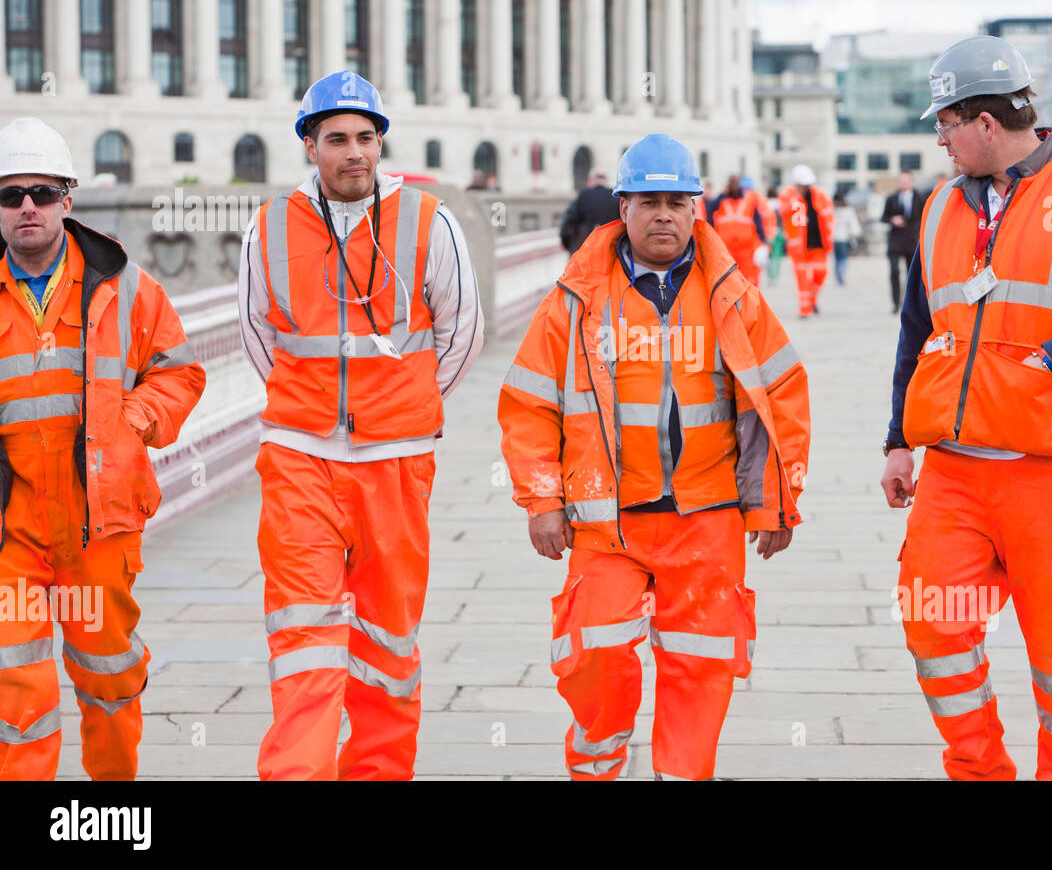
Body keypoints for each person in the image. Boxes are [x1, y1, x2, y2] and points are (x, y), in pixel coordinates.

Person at [879, 36, 1052, 780]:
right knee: (934, 629)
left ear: (983, 121)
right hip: (953, 475)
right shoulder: (941, 205)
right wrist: (896, 443)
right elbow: (919, 328)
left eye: (944, 123)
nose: (938, 139)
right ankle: (980, 772)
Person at [498, 133, 811, 781]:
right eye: (649, 202)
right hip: (606, 522)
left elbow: (783, 395)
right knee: (596, 657)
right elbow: (529, 402)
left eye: (677, 201)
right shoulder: (577, 300)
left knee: (700, 670)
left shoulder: (734, 297)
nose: (664, 214)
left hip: (707, 517)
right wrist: (541, 497)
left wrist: (780, 500)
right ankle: (597, 764)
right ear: (623, 208)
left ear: (697, 209)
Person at [238, 71, 484, 780]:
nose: (355, 152)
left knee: (387, 641)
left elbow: (462, 329)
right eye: (337, 139)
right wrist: (310, 407)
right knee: (304, 638)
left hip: (396, 460)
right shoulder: (269, 225)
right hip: (297, 457)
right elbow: (257, 332)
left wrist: (404, 403)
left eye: (366, 138)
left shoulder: (429, 221)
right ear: (310, 147)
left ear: (381, 144)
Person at [0, 117, 205, 779]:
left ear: (69, 199)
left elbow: (180, 369)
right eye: (9, 195)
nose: (25, 205)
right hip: (12, 535)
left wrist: (137, 418)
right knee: (16, 687)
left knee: (108, 678)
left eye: (41, 191)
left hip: (101, 528)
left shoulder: (127, 288)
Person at [778, 164, 835, 318]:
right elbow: (784, 212)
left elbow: (829, 215)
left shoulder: (820, 195)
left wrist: (830, 237)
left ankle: (812, 299)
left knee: (821, 272)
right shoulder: (787, 196)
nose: (805, 187)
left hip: (818, 243)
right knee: (802, 278)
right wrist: (796, 198)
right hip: (798, 247)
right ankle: (804, 309)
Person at [707, 173, 768, 286]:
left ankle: (749, 303)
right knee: (728, 279)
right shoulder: (722, 200)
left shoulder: (748, 200)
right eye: (732, 183)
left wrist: (763, 239)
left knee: (749, 279)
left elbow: (757, 220)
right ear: (728, 184)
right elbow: (709, 210)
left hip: (746, 249)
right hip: (727, 249)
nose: (734, 186)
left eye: (735, 183)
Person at [881, 171, 927, 313]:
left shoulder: (920, 197)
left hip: (913, 241)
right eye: (901, 181)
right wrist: (892, 219)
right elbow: (884, 217)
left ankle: (910, 304)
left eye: (906, 181)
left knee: (911, 274)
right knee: (894, 271)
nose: (903, 183)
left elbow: (926, 216)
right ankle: (895, 303)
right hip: (895, 241)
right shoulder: (892, 198)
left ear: (911, 182)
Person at [559, 168, 621, 255]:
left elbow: (568, 224)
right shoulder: (616, 198)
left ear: (591, 180)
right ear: (606, 181)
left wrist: (570, 248)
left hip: (587, 252)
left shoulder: (583, 196)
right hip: (611, 252)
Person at [831, 191, 861, 286]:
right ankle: (842, 272)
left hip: (834, 238)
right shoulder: (848, 210)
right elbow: (853, 225)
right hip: (844, 238)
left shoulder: (832, 210)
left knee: (837, 258)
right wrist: (855, 235)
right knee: (843, 258)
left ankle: (838, 276)